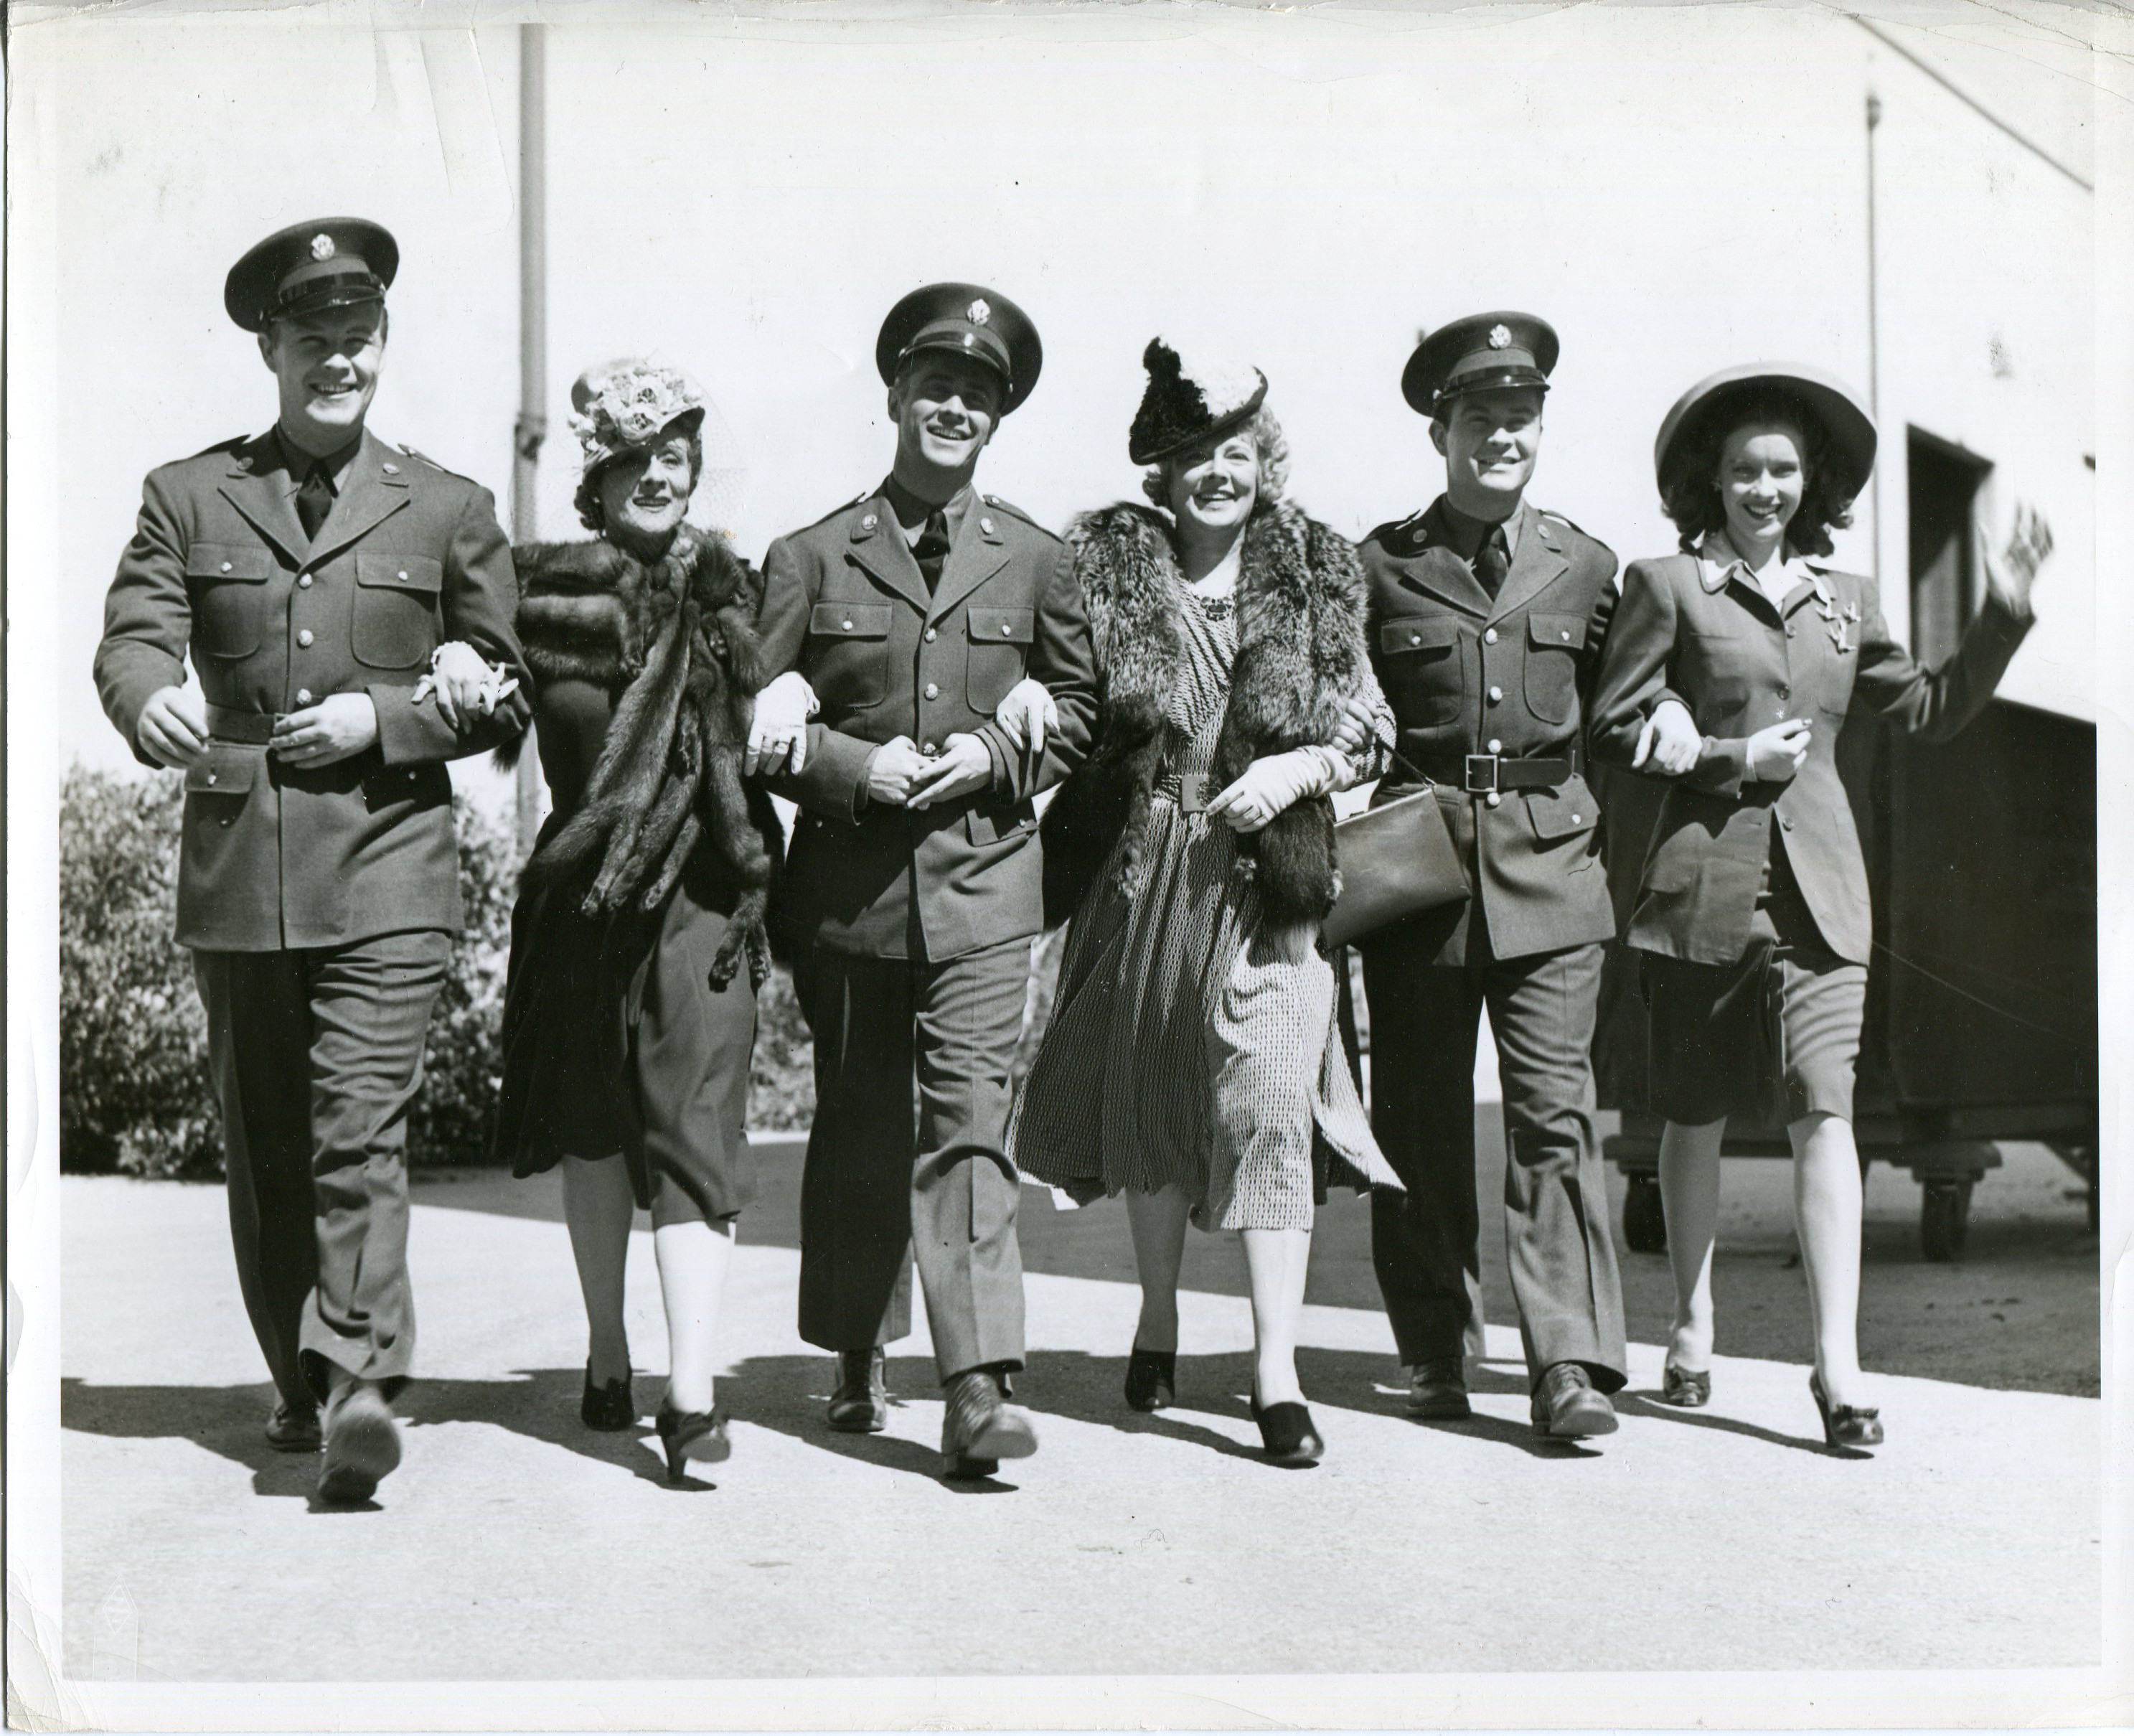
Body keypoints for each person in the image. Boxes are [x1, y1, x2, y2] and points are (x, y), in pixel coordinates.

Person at [93, 219, 531, 1503]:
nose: (339, 360)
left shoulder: (449, 505)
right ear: (271, 348)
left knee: (357, 1133)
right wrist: (142, 699)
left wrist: (385, 718)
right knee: (270, 1144)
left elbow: (503, 691)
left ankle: (357, 1387)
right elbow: (131, 635)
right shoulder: (188, 492)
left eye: (360, 339)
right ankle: (301, 1376)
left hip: (391, 859)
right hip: (241, 866)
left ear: (382, 347)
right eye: (315, 340)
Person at [1590, 363, 2049, 1448]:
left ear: (1811, 480)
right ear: (1711, 478)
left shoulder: (1846, 604)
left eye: (1782, 468)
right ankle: (1692, 1324)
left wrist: (2003, 611)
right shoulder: (1665, 586)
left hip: (1822, 901)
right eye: (1744, 468)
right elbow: (1612, 730)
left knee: (1822, 1111)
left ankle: (1835, 1368)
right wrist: (1721, 754)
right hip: (1699, 890)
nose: (1764, 487)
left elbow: (1928, 710)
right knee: (1691, 1117)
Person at [1009, 339, 1401, 1467]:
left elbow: (1369, 723)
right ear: (1159, 470)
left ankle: (1275, 1369)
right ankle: (1158, 1316)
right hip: (1139, 871)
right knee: (1152, 1100)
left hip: (1267, 875)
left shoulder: (1319, 570)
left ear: (1262, 461)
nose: (1218, 471)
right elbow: (1064, 694)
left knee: (1270, 1102)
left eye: (1236, 450)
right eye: (1194, 453)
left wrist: (1303, 770)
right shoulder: (1098, 570)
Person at [746, 283, 1098, 1478]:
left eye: (979, 395)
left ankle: (978, 1383)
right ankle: (855, 1346)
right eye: (936, 386)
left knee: (966, 1128)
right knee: (854, 1124)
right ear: (894, 394)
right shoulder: (805, 555)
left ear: (999, 418)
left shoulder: (1043, 560)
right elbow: (757, 719)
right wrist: (855, 766)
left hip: (988, 886)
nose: (955, 408)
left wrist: (999, 753)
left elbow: (1087, 708)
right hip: (846, 895)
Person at [489, 360, 784, 1481]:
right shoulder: (538, 594)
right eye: (633, 459)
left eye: (675, 457)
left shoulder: (738, 597)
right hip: (580, 901)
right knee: (594, 1127)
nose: (657, 476)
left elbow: (803, 705)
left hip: (705, 894)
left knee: (695, 1127)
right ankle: (608, 1351)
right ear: (596, 475)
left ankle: (692, 1388)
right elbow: (478, 692)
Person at [1355, 311, 1636, 1440]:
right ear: (1441, 429)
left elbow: (1622, 713)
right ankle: (1433, 1350)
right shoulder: (1379, 565)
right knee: (1418, 1118)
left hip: (1553, 862)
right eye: (1480, 418)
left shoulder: (1587, 564)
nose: (1501, 437)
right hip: (1418, 867)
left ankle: (1566, 1363)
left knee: (1553, 1115)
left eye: (1520, 418)